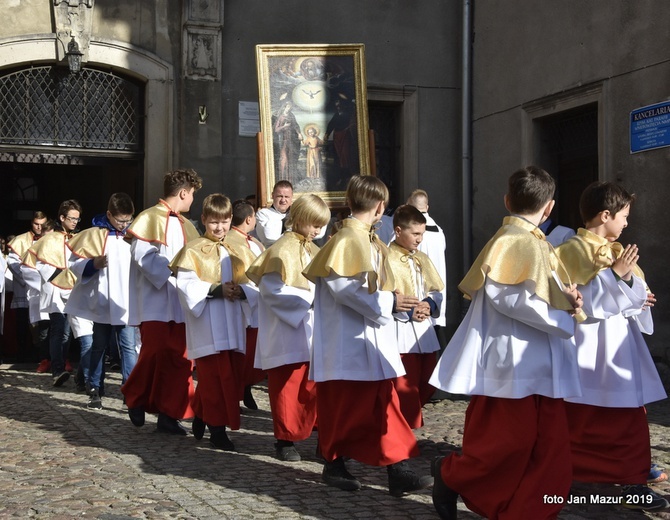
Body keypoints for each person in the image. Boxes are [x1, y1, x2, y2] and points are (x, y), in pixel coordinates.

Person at [429, 166, 584, 520]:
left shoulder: (536, 243)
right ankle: (450, 474)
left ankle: (530, 510)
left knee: (551, 448)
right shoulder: (513, 241)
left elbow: (542, 293)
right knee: (507, 444)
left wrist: (569, 299)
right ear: (550, 208)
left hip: (544, 360)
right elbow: (510, 299)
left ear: (506, 200)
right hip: (514, 360)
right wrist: (564, 318)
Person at [303, 175, 432, 497]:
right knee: (346, 408)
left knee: (384, 405)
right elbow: (344, 289)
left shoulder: (369, 240)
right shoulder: (348, 239)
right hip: (346, 343)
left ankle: (397, 469)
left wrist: (395, 305)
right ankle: (334, 464)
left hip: (371, 340)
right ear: (380, 207)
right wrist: (390, 302)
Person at [555, 181, 669, 511]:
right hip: (587, 344)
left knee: (630, 417)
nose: (627, 223)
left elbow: (628, 296)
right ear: (606, 215)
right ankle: (569, 475)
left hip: (619, 344)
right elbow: (576, 301)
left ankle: (632, 480)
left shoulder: (619, 251)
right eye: (624, 216)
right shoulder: (572, 250)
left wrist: (638, 296)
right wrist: (615, 278)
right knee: (580, 416)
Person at [247, 194, 330, 462]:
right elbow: (272, 290)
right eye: (314, 224)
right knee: (287, 385)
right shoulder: (280, 249)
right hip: (286, 330)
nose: (317, 230)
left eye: (321, 225)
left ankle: (318, 434)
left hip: (311, 327)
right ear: (300, 219)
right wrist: (309, 300)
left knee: (312, 385)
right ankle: (284, 439)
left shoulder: (314, 249)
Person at [121, 168, 202, 435]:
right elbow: (142, 255)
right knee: (154, 352)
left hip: (179, 301)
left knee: (180, 360)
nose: (192, 200)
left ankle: (170, 414)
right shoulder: (149, 217)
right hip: (155, 300)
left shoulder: (186, 224)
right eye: (191, 195)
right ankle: (135, 394)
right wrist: (172, 268)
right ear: (183, 192)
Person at [170, 193, 246, 450]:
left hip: (233, 324)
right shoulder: (193, 250)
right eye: (214, 222)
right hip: (208, 325)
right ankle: (217, 430)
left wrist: (242, 291)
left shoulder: (237, 249)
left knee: (229, 378)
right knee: (214, 380)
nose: (219, 227)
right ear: (203, 220)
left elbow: (254, 282)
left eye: (224, 222)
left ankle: (203, 414)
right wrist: (216, 290)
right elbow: (186, 286)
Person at [65, 193, 137, 409]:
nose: (124, 225)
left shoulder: (135, 235)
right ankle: (95, 387)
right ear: (109, 215)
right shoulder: (96, 235)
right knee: (99, 346)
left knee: (128, 348)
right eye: (120, 220)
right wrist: (92, 264)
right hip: (102, 301)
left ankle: (130, 390)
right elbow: (74, 262)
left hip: (126, 302)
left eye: (128, 220)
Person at [387, 204, 444, 428]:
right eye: (416, 233)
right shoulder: (386, 258)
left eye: (422, 233)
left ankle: (405, 424)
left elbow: (436, 289)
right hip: (400, 331)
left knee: (427, 380)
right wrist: (409, 310)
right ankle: (402, 430)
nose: (420, 239)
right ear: (399, 231)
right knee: (404, 384)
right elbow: (384, 294)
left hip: (424, 331)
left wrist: (429, 305)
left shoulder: (422, 258)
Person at [23, 200, 83, 387]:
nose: (75, 222)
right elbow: (40, 264)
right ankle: (57, 369)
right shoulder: (49, 239)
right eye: (72, 218)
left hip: (76, 290)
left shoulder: (78, 238)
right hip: (57, 290)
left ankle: (80, 372)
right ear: (62, 217)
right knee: (59, 330)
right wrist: (61, 276)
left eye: (77, 219)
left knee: (76, 332)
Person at [224, 199, 265, 410]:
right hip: (242, 304)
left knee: (248, 356)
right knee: (242, 355)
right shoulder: (238, 242)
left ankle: (244, 388)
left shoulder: (250, 241)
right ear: (249, 219)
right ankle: (238, 390)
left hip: (250, 302)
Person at [406, 190, 448, 343]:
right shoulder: (439, 231)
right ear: (427, 207)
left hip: (415, 302)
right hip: (436, 296)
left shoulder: (409, 232)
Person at [6, 211, 47, 366]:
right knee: (23, 322)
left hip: (41, 288)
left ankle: (41, 354)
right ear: (32, 223)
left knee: (41, 322)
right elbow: (12, 262)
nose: (39, 227)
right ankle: (23, 353)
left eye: (42, 224)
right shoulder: (20, 240)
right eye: (36, 224)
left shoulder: (50, 238)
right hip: (24, 288)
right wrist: (28, 279)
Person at [255, 180, 293, 247]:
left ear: (291, 197)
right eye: (280, 196)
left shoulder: (296, 214)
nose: (283, 200)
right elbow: (268, 238)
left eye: (286, 197)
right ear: (272, 196)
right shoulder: (263, 214)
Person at [274, 102, 302, 183]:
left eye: (290, 107)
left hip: (292, 140)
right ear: (284, 107)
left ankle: (291, 180)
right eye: (288, 106)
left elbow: (296, 125)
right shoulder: (281, 117)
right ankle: (283, 179)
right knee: (284, 160)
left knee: (291, 159)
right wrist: (284, 126)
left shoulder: (291, 115)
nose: (289, 108)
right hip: (283, 141)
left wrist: (299, 133)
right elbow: (276, 129)